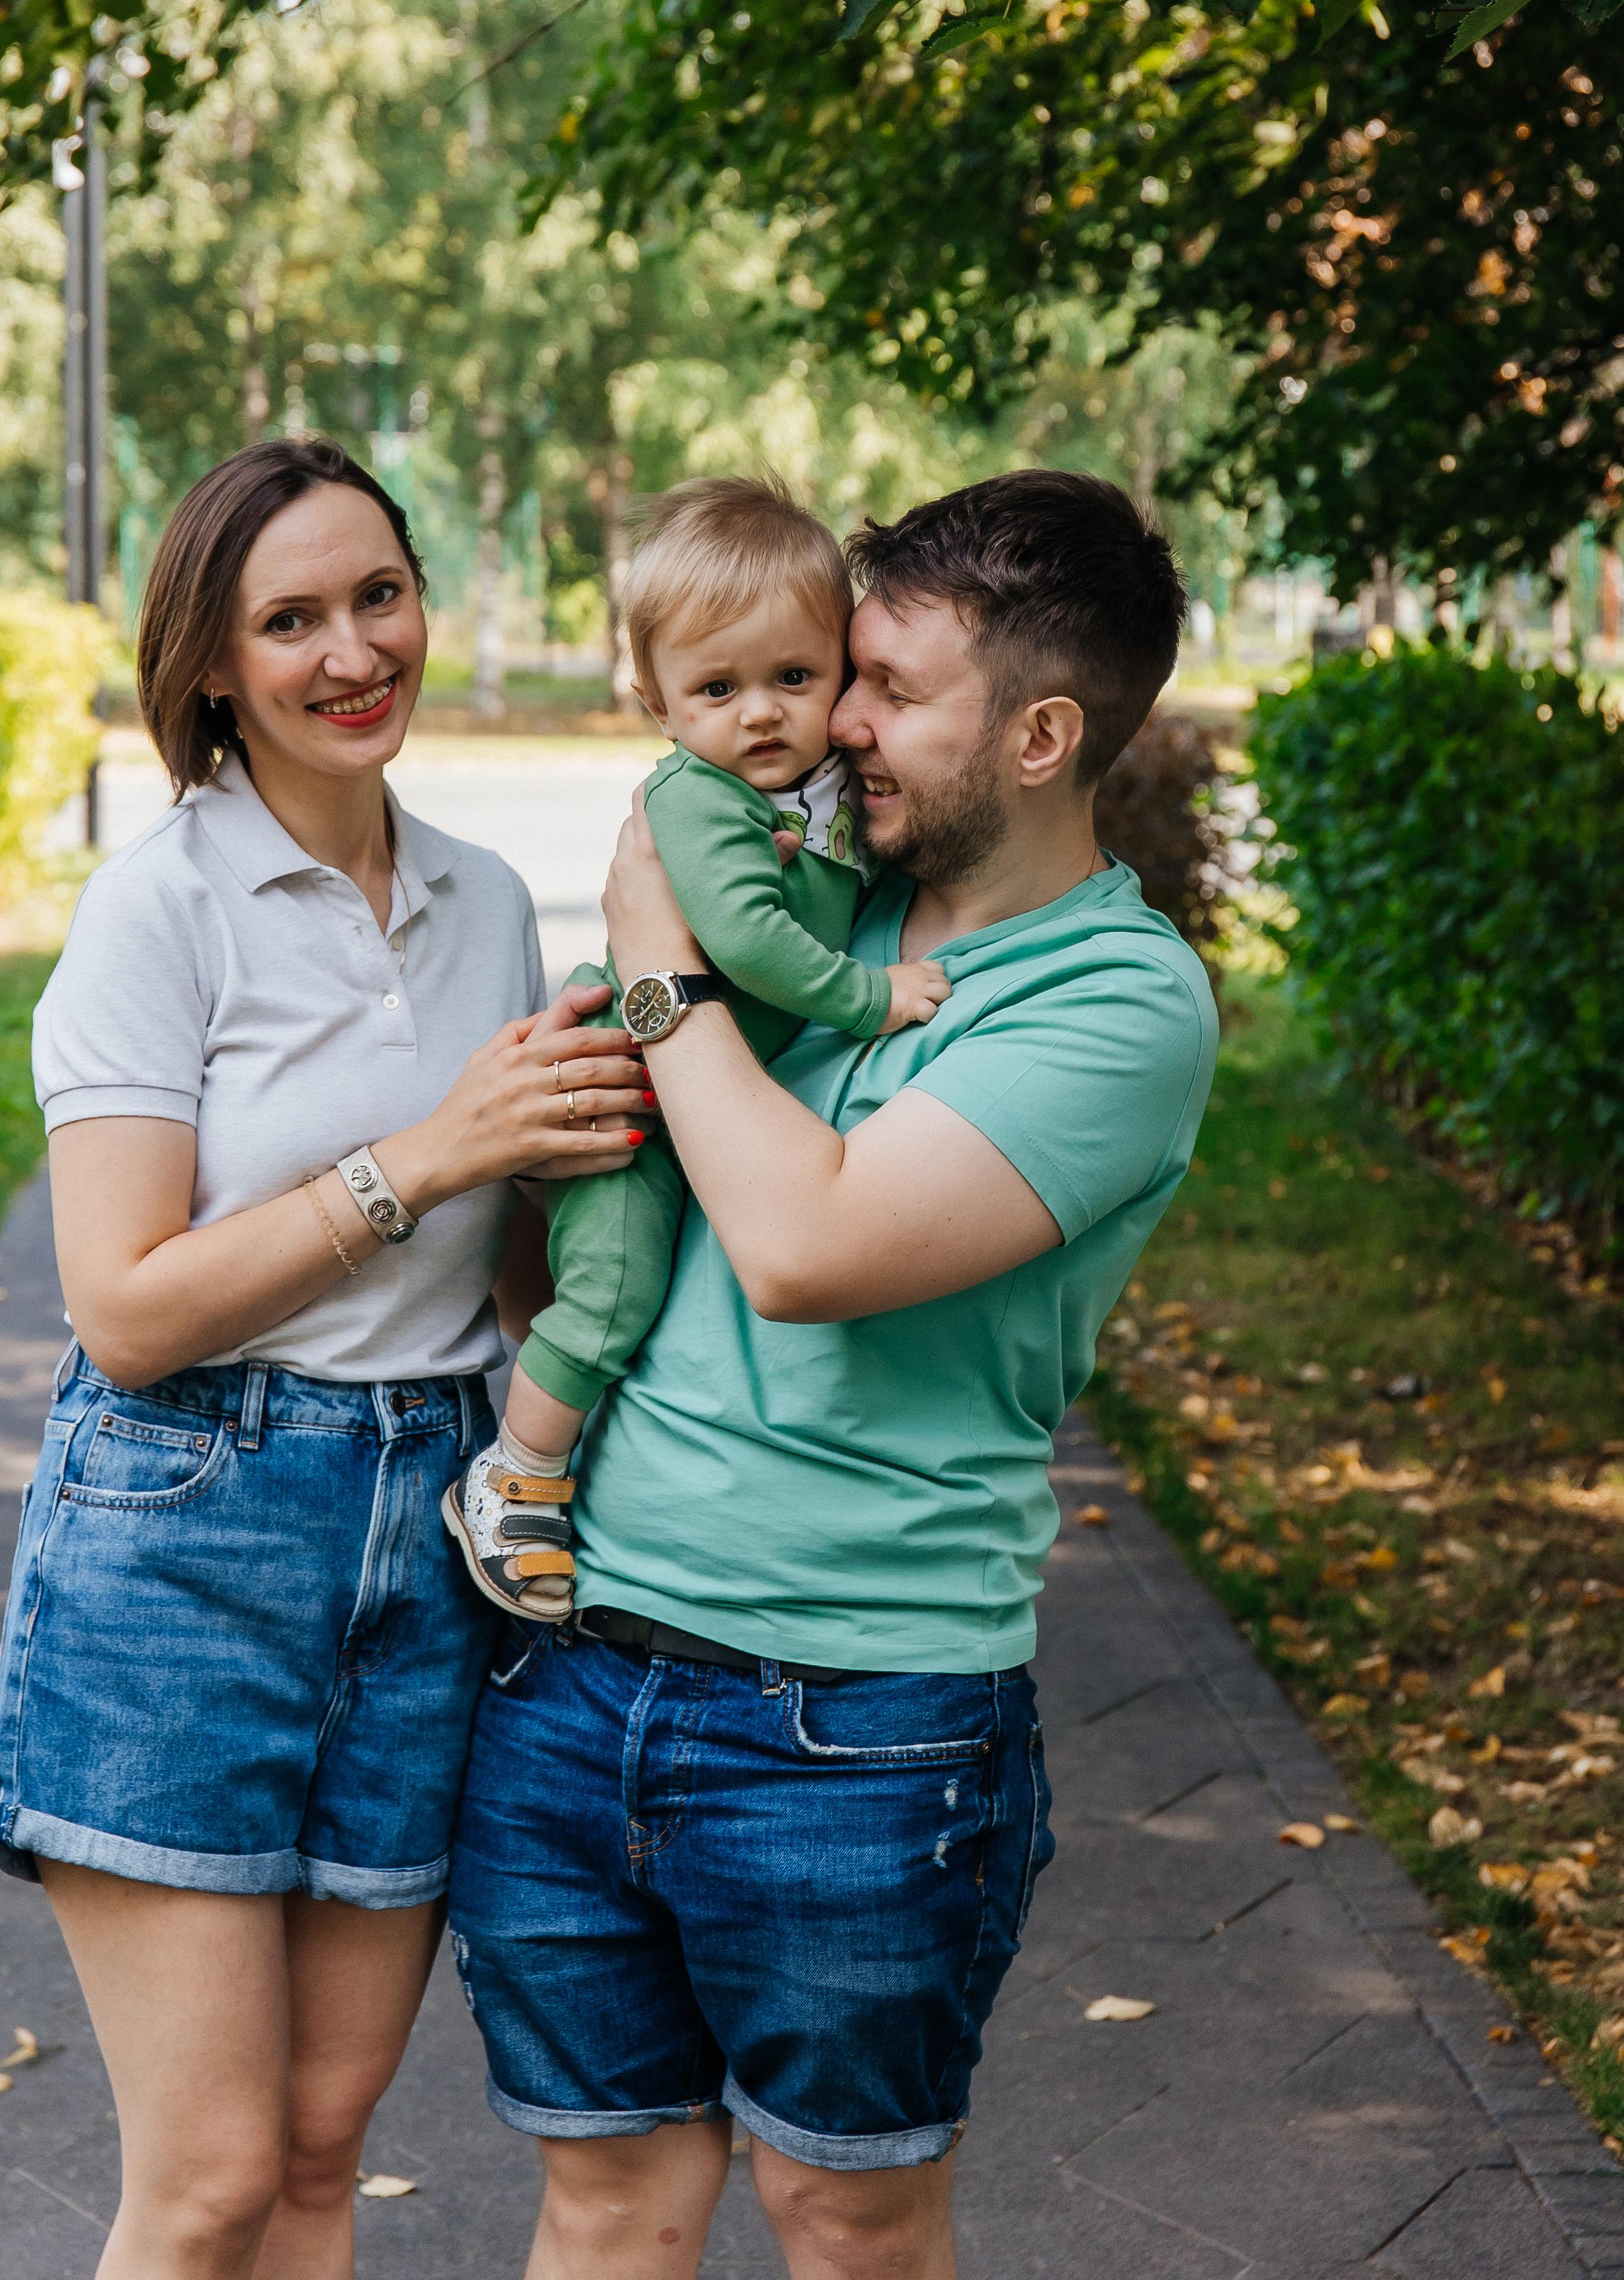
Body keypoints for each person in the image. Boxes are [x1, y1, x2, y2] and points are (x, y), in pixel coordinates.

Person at [447, 467, 1220, 2280]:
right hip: (575, 1661)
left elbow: (804, 1249)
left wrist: (656, 974)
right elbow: (546, 1266)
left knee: (843, 2217)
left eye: (886, 691)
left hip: (854, 1721)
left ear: (1038, 735)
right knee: (607, 2203)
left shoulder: (1114, 1002)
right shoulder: (813, 897)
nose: (832, 723)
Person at [0, 436, 650, 2280]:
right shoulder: (160, 911)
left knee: (315, 2148)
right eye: (291, 621)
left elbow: (521, 1271)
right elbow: (120, 1309)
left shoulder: (486, 902)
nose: (355, 652)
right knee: (197, 2186)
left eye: (380, 596)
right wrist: (427, 1153)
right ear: (214, 666)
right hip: (187, 1535)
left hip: (424, 1544)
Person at [445, 474, 950, 1623]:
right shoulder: (701, 801)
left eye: (794, 678)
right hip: (627, 1102)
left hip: (694, 1091)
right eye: (717, 688)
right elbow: (749, 943)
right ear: (659, 705)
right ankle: (514, 1478)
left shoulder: (826, 793)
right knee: (613, 1294)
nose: (760, 714)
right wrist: (870, 999)